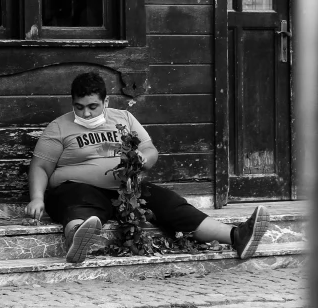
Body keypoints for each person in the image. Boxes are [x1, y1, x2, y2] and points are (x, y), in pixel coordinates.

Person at [25, 72, 269, 263]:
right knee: (78, 200)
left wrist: (142, 158)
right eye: (79, 107)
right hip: (74, 189)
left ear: (106, 102)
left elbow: (151, 150)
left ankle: (236, 236)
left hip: (125, 190)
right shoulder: (59, 127)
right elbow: (40, 167)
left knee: (168, 202)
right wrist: (37, 198)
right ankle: (76, 239)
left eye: (92, 107)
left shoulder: (124, 119)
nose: (86, 114)